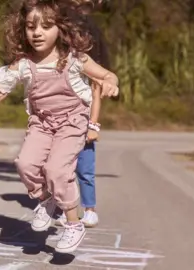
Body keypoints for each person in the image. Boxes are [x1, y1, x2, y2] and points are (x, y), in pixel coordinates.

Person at [0, 0, 118, 253]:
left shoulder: (75, 59)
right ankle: (45, 199)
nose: (37, 32)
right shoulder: (23, 63)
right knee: (25, 164)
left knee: (57, 170)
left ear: (60, 29)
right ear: (23, 30)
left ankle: (73, 224)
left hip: (72, 122)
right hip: (41, 123)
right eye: (31, 27)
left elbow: (107, 75)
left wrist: (110, 83)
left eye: (46, 26)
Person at [56, 0, 111, 228]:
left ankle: (89, 209)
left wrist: (94, 125)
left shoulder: (89, 71)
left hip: (84, 125)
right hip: (62, 124)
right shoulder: (62, 67)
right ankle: (67, 208)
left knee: (85, 171)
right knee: (63, 169)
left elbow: (96, 96)